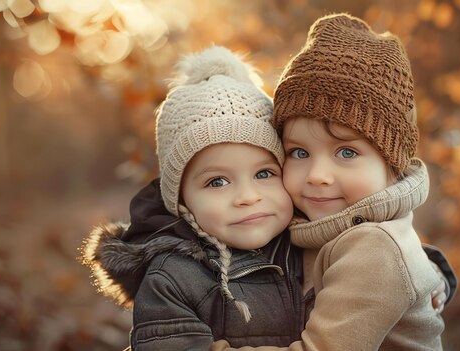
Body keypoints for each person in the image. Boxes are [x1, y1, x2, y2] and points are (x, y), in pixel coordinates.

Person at [212, 13, 455, 351]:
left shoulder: (375, 248)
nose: (317, 175)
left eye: (346, 153)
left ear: (391, 163)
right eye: (298, 153)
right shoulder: (314, 228)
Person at [81, 46, 305, 350]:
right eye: (218, 181)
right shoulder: (171, 279)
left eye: (264, 174)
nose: (248, 197)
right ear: (181, 200)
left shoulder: (312, 247)